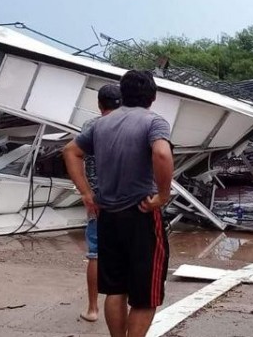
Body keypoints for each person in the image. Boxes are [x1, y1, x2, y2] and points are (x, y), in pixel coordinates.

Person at [63, 70, 173, 337]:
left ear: (122, 95)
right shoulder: (154, 122)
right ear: (154, 96)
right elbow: (161, 153)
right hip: (141, 213)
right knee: (145, 296)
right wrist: (163, 195)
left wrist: (87, 194)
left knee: (116, 289)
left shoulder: (101, 124)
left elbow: (70, 151)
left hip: (108, 215)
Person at [79, 84, 122, 323]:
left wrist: (86, 192)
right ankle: (120, 302)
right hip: (125, 199)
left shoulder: (90, 127)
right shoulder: (129, 125)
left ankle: (93, 308)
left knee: (95, 254)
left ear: (99, 104)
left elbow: (73, 153)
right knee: (123, 253)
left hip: (97, 197)